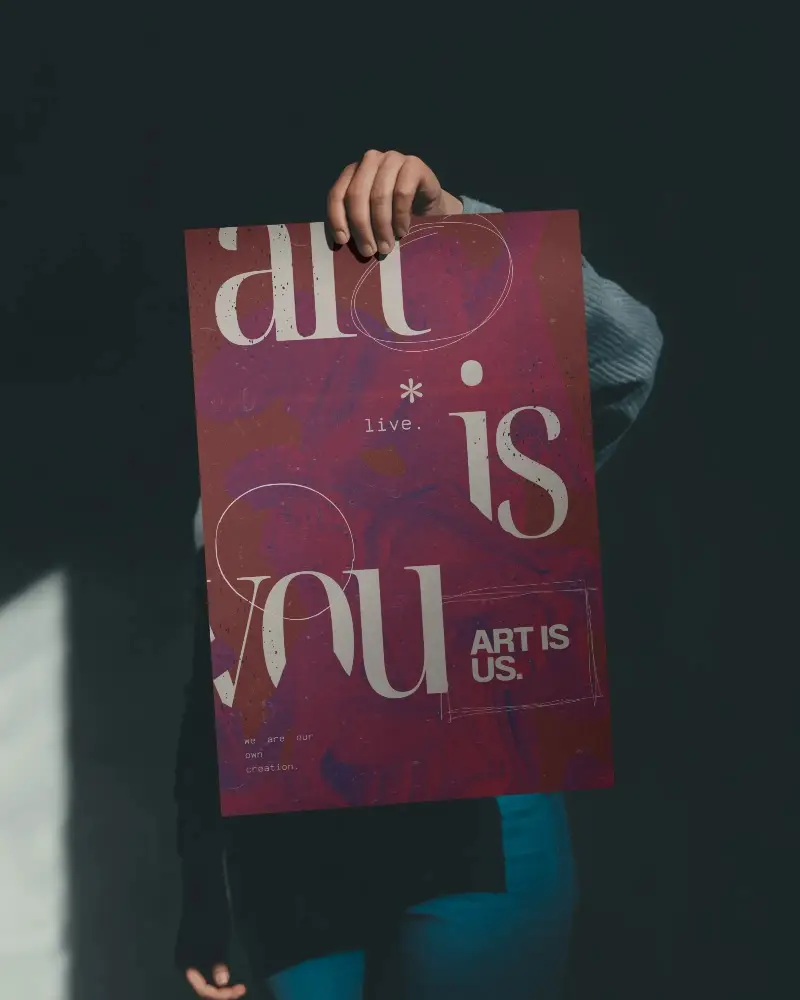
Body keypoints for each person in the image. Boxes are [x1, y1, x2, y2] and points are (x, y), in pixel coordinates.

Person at [175, 150, 664, 1000]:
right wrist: (201, 890)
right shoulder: (245, 488)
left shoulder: (482, 446)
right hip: (294, 856)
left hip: (475, 824)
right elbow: (213, 689)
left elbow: (628, 357)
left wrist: (464, 228)